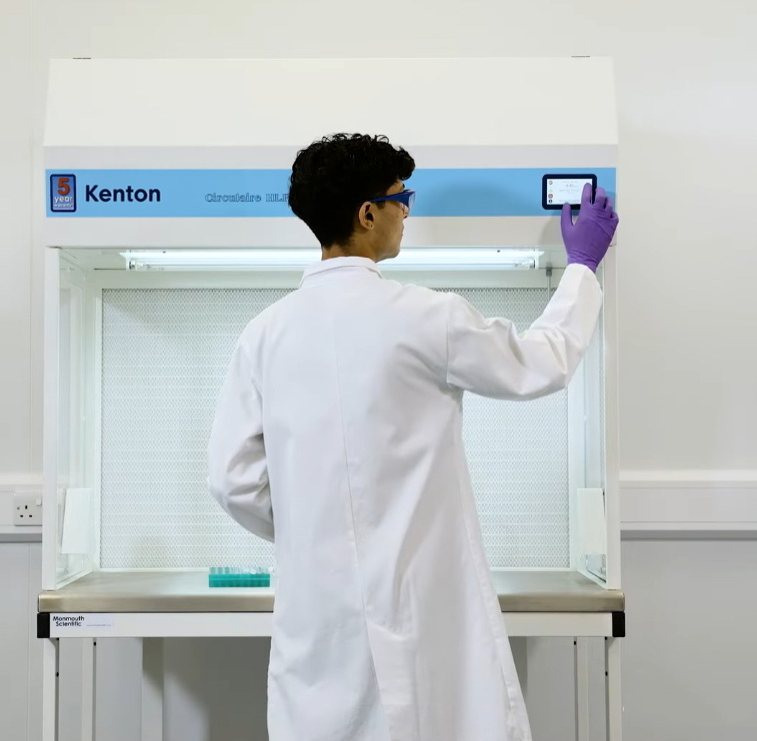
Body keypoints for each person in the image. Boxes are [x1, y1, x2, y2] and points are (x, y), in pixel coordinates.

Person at [208, 133, 618, 741]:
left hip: (316, 621)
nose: (407, 212)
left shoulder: (264, 335)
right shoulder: (428, 317)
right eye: (402, 199)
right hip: (424, 605)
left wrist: (316, 525)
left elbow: (231, 480)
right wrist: (581, 268)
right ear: (366, 213)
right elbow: (543, 364)